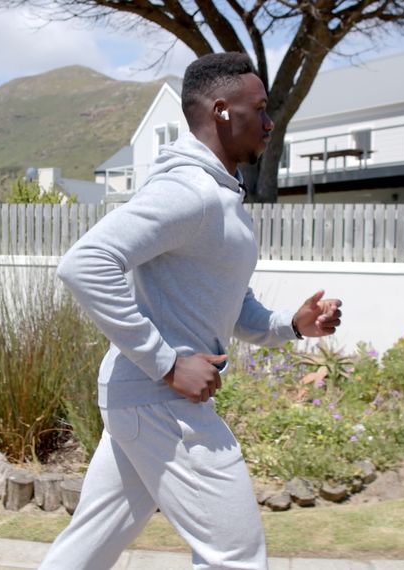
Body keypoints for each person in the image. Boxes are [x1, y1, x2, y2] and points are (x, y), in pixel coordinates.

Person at [40, 52, 343, 570]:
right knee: (235, 557)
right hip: (160, 400)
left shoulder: (220, 198)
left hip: (139, 400)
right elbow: (86, 264)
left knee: (86, 550)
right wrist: (167, 362)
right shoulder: (189, 191)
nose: (271, 123)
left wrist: (291, 325)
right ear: (223, 111)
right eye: (262, 109)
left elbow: (234, 304)